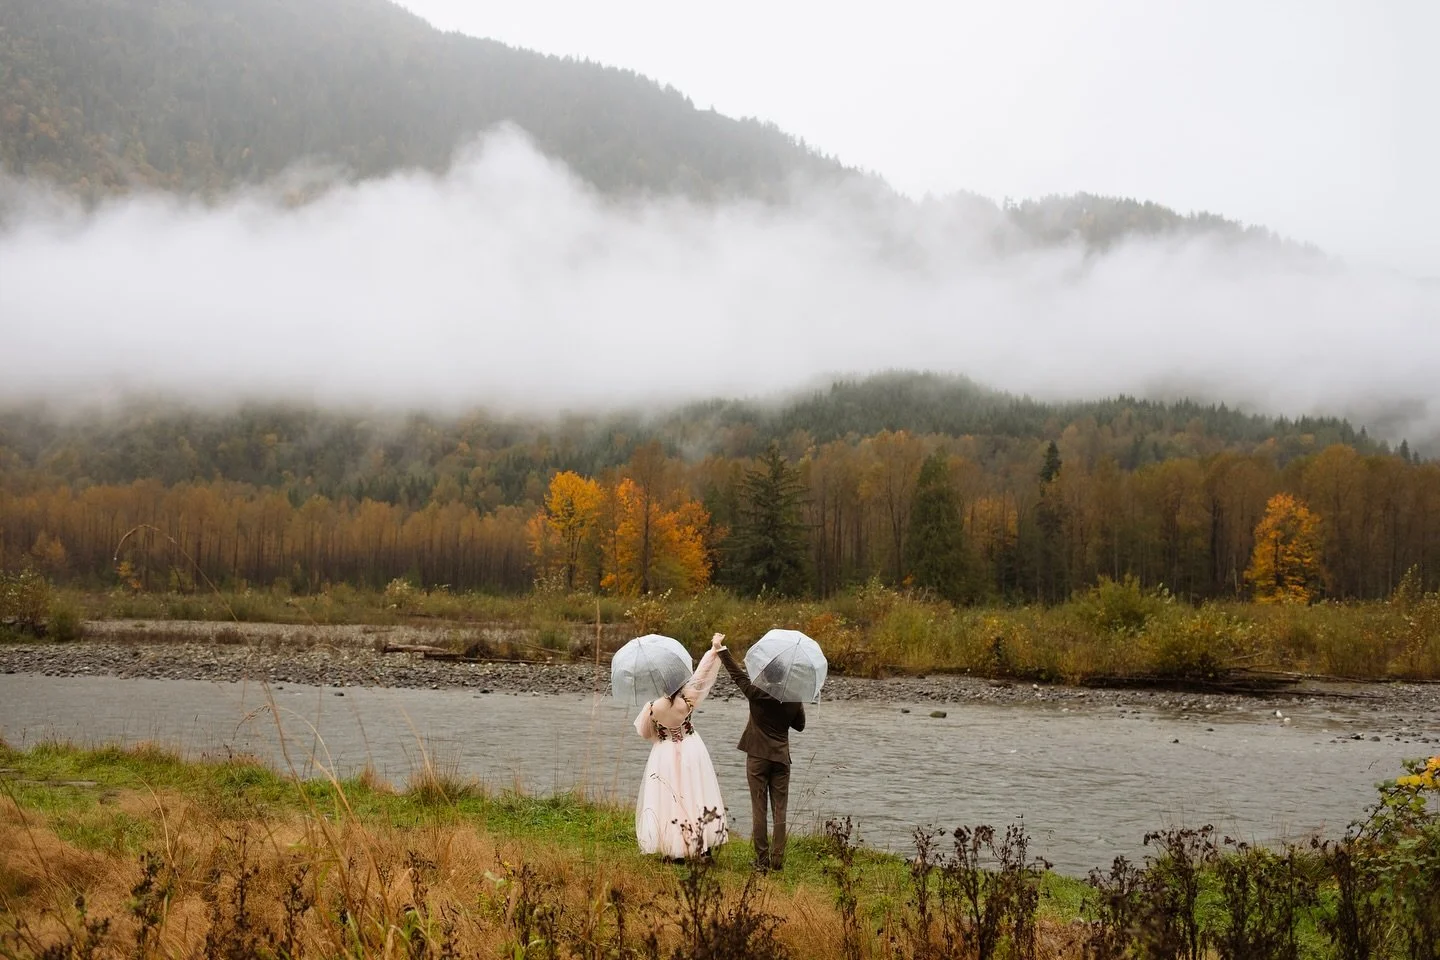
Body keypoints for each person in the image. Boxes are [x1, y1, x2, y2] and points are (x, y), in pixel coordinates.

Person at [633, 632, 729, 859]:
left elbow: (645, 733)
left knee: (666, 798)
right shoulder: (687, 698)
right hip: (691, 748)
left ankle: (673, 850)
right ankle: (702, 847)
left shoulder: (652, 707)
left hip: (664, 753)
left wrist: (659, 727)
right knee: (696, 792)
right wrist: (714, 650)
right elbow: (702, 674)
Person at [718, 645, 806, 872]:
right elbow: (800, 726)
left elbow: (738, 676)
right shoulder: (794, 695)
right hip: (781, 759)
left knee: (759, 808)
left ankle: (762, 861)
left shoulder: (756, 691)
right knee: (780, 809)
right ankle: (777, 861)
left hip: (757, 757)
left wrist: (722, 651)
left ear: (765, 674)